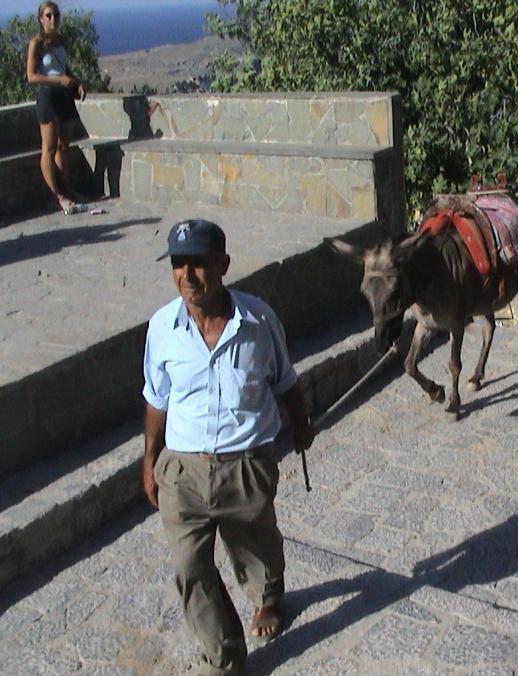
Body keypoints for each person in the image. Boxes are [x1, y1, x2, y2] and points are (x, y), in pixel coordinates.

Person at [142, 219, 315, 675]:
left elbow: (285, 380)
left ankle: (266, 596)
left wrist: (302, 422)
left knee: (253, 544)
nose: (187, 275)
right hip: (182, 470)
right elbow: (156, 399)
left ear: (223, 265)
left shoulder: (258, 321)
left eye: (199, 263)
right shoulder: (162, 328)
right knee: (189, 567)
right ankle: (225, 659)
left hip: (246, 464)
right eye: (179, 264)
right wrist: (150, 459)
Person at [25, 2, 88, 215]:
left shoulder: (61, 41)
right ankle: (57, 195)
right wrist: (58, 81)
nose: (53, 20)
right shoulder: (37, 43)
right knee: (49, 148)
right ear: (41, 19)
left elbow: (65, 68)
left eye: (56, 16)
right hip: (48, 96)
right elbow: (31, 76)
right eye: (49, 16)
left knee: (64, 146)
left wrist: (76, 82)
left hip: (65, 96)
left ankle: (67, 189)